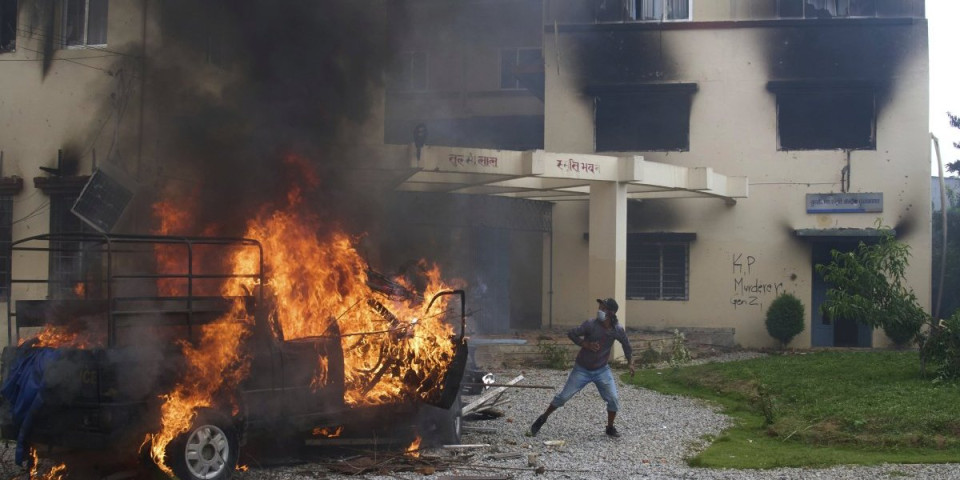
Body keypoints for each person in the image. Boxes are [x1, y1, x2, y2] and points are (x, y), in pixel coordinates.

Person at [529, 297, 634, 438]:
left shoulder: (617, 330)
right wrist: (586, 344)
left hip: (602, 369)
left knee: (613, 399)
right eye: (600, 308)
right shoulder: (590, 324)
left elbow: (626, 345)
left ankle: (610, 427)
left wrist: (630, 362)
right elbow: (572, 333)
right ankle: (543, 418)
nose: (600, 311)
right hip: (582, 369)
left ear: (612, 313)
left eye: (604, 309)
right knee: (563, 397)